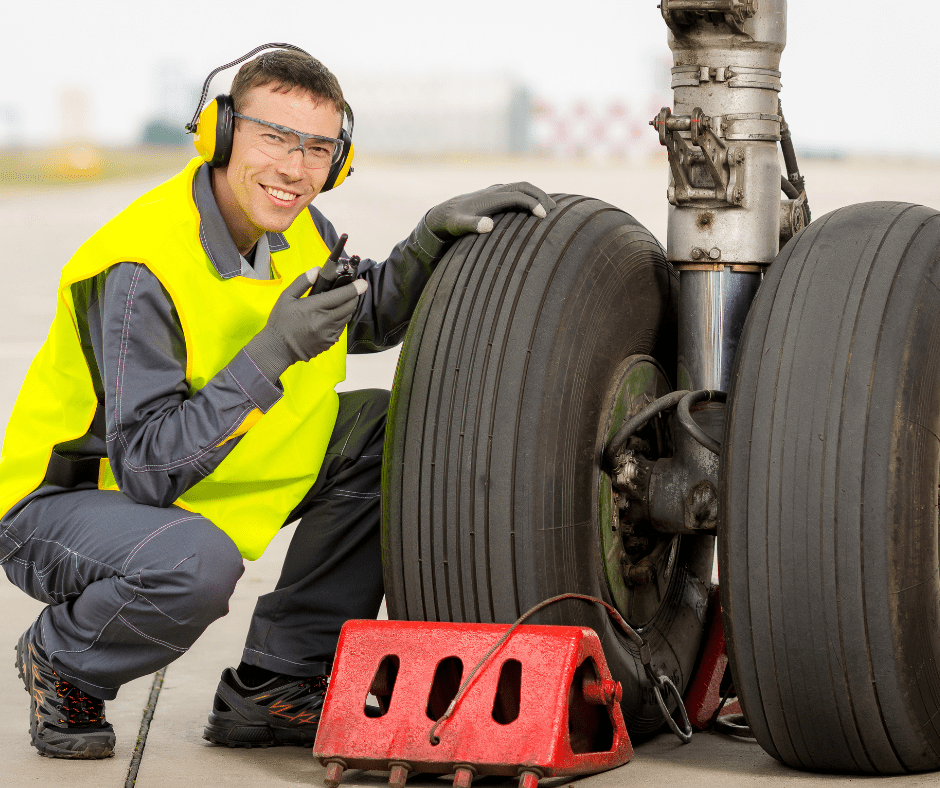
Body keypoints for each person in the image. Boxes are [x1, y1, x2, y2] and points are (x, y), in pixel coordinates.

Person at [0, 45, 554, 760]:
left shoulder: (297, 233)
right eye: (274, 138)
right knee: (192, 565)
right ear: (221, 135)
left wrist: (428, 242)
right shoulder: (142, 266)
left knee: (388, 433)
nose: (296, 169)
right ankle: (65, 659)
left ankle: (279, 681)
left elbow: (362, 318)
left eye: (319, 148)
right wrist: (271, 353)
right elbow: (146, 469)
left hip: (212, 476)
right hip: (67, 505)